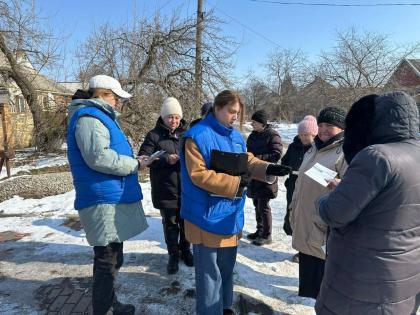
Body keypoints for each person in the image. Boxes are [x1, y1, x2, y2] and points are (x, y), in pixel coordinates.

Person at [180, 90, 291, 315]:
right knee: (209, 275)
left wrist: (267, 168)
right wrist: (237, 184)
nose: (234, 117)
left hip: (229, 215)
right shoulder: (196, 136)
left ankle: (225, 307)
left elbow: (245, 159)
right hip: (204, 216)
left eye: (237, 113)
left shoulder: (235, 136)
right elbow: (198, 175)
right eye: (231, 112)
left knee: (227, 269)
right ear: (217, 108)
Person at [315, 91, 420, 315]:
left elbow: (334, 213)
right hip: (404, 280)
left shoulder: (376, 156)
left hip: (362, 283)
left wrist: (328, 197)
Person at [67, 74, 150, 315]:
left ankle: (111, 304)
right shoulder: (89, 118)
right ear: (104, 95)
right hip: (101, 199)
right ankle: (102, 310)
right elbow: (98, 158)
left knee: (114, 258)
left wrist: (135, 161)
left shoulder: (98, 116)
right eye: (116, 98)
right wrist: (133, 164)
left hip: (110, 197)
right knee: (106, 263)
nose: (119, 104)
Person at [289, 106, 347, 299]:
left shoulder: (345, 151)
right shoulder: (314, 148)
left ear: (341, 127)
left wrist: (340, 184)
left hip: (323, 231)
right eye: (320, 124)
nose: (323, 129)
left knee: (327, 293)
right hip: (306, 224)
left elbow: (355, 189)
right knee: (312, 291)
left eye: (329, 125)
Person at [138, 97, 193, 274]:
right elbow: (143, 158)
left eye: (177, 117)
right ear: (163, 117)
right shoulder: (153, 135)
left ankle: (186, 251)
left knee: (186, 223)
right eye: (170, 117)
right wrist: (165, 159)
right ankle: (173, 255)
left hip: (186, 189)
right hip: (165, 188)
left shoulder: (187, 134)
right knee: (170, 224)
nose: (174, 121)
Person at [281, 115, 318, 263]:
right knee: (293, 215)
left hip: (310, 187)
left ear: (314, 134)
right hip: (293, 184)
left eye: (306, 135)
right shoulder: (293, 146)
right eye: (301, 135)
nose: (303, 138)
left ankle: (306, 250)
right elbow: (285, 161)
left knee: (307, 219)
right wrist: (286, 168)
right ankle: (299, 247)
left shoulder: (317, 149)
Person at [246, 109, 283, 246]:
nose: (252, 124)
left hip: (267, 175)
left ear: (262, 123)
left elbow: (276, 154)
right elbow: (247, 151)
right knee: (257, 203)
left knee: (264, 205)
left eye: (254, 122)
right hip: (254, 174)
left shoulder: (273, 135)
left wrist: (257, 159)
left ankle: (267, 235)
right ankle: (259, 230)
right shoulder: (253, 135)